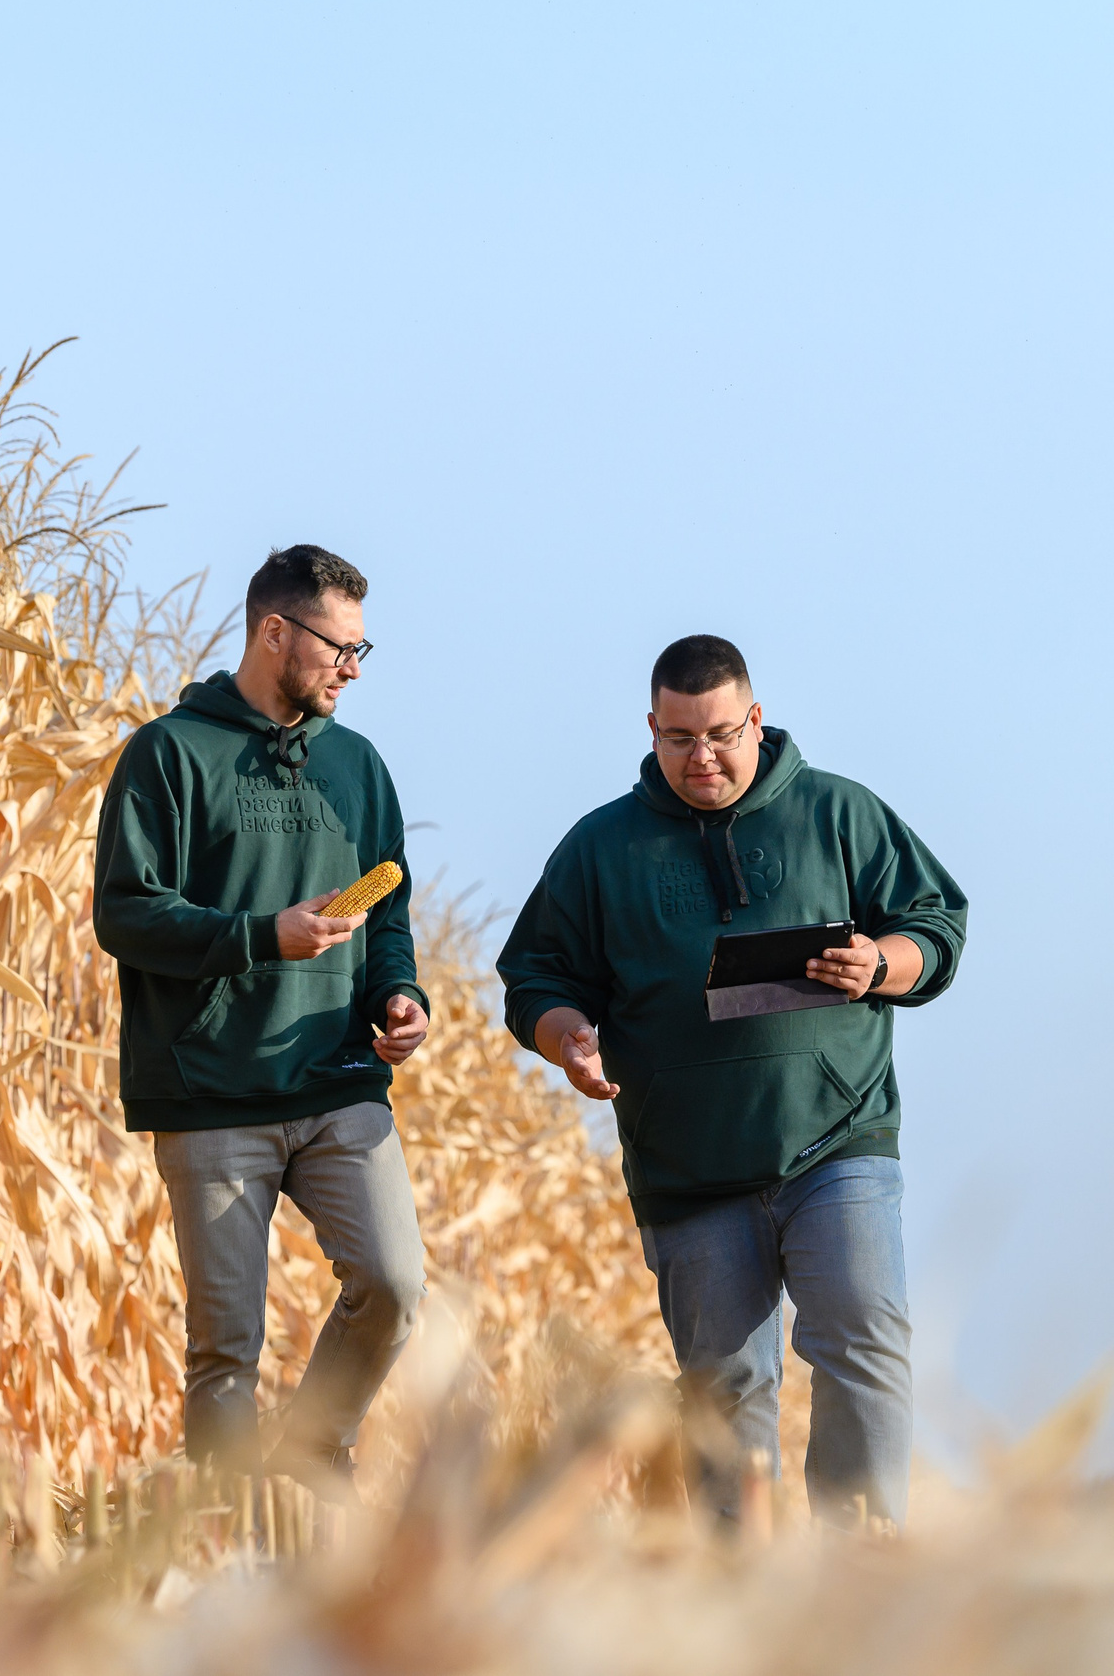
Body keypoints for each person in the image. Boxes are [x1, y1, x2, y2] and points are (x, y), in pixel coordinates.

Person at [495, 634, 966, 1530]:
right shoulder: (601, 848)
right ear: (651, 727)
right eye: (678, 738)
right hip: (687, 1165)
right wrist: (569, 1040)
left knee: (865, 1335)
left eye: (718, 733)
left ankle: (859, 1563)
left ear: (756, 719)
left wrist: (881, 962)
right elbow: (537, 977)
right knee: (726, 1385)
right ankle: (737, 1588)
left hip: (839, 1141)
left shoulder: (841, 814)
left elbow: (937, 923)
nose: (700, 757)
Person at [93, 544, 430, 1496]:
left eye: (365, 651)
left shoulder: (360, 768)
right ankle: (224, 1545)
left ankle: (313, 1453)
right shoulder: (170, 754)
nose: (352, 669)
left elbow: (388, 916)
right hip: (210, 1093)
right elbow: (124, 912)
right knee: (224, 1354)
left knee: (395, 1285)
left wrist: (398, 999)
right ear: (273, 631)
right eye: (340, 647)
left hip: (337, 1082)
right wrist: (260, 938)